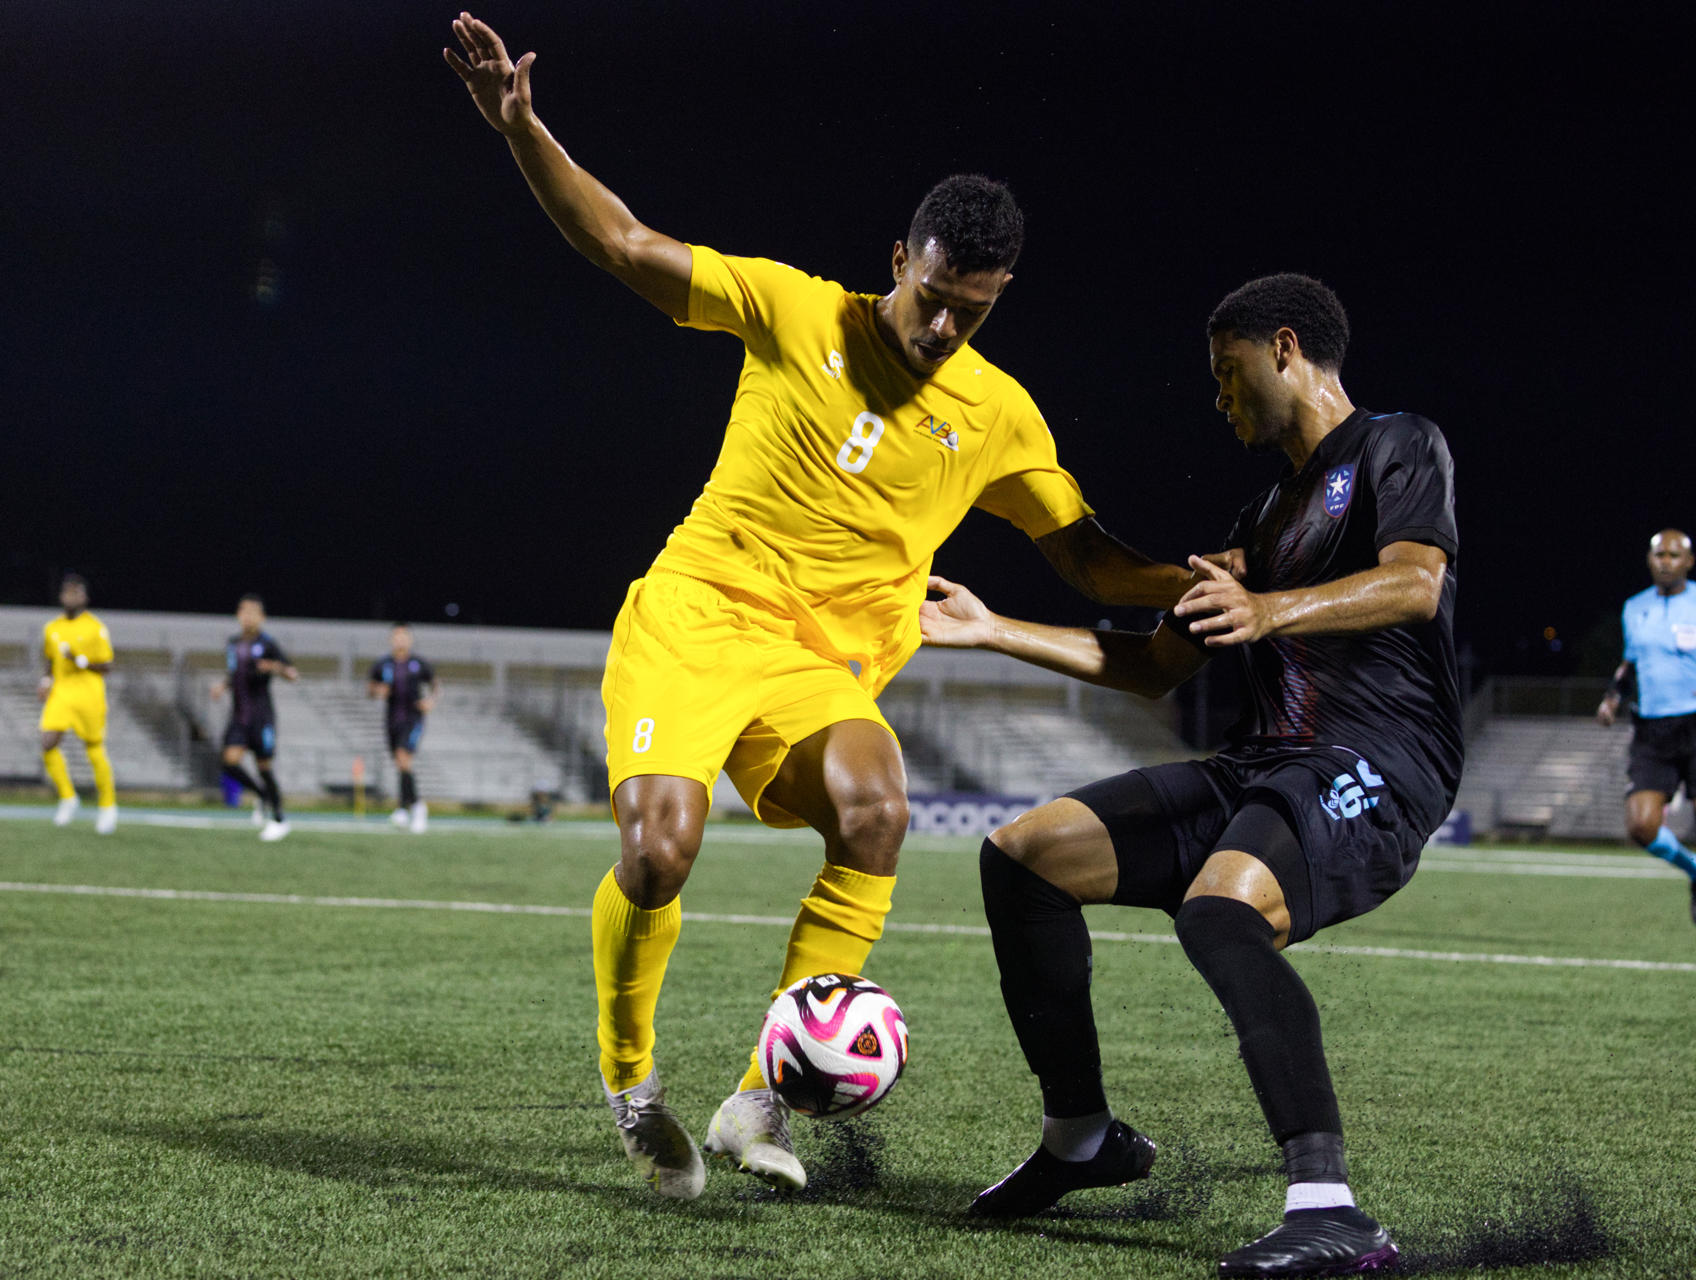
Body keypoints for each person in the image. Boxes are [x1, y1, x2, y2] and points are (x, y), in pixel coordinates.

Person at [447, 11, 1199, 1200]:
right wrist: (523, 130)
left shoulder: (998, 414)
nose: (948, 326)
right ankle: (634, 1087)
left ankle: (757, 1095)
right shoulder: (799, 314)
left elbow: (1090, 559)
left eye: (977, 309)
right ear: (900, 259)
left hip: (818, 666)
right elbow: (630, 246)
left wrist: (1207, 582)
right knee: (656, 856)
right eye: (937, 296)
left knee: (877, 808)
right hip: (697, 616)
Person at [921, 273, 1458, 1277]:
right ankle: (1081, 1135)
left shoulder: (1399, 443)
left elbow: (1416, 583)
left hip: (1379, 764)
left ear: (1286, 348)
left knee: (1222, 910)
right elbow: (1151, 665)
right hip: (1266, 763)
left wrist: (1269, 610)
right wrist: (992, 629)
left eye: (1228, 372)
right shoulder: (1261, 518)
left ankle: (1332, 1207)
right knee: (1024, 854)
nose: (1219, 397)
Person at [1595, 529, 1696, 924]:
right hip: (1651, 730)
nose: (1666, 561)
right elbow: (1630, 663)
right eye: (1659, 555)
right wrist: (1612, 697)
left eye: (1674, 555)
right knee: (1640, 826)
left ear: (1688, 561)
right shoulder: (1635, 608)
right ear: (1650, 560)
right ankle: (1693, 871)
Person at [210, 594, 299, 842]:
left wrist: (275, 668)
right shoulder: (233, 643)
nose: (247, 616)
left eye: (252, 612)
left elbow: (293, 674)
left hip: (261, 716)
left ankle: (280, 819)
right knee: (228, 761)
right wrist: (222, 686)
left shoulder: (268, 644)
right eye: (243, 611)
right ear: (238, 615)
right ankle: (262, 795)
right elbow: (235, 673)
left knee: (264, 767)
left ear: (262, 617)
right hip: (238, 715)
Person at [38, 573, 118, 835]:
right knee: (47, 743)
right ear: (61, 596)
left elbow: (107, 666)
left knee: (94, 749)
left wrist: (80, 660)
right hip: (62, 693)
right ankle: (68, 798)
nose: (71, 597)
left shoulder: (95, 627)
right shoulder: (52, 628)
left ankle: (108, 806)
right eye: (67, 592)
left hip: (89, 694)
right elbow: (50, 660)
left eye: (76, 592)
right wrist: (46, 680)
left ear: (84, 597)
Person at [368, 623, 439, 833]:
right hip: (392, 719)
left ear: (410, 640)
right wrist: (377, 691)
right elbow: (371, 688)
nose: (400, 640)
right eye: (397, 636)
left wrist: (431, 701)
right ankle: (402, 809)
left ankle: (417, 806)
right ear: (391, 639)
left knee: (403, 757)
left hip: (413, 718)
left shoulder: (419, 663)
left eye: (404, 636)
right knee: (401, 763)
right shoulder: (383, 664)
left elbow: (435, 684)